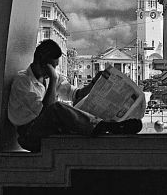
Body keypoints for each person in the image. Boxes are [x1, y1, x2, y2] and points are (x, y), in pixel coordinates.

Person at [8, 39, 142, 152]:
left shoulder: (51, 77)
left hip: (49, 129)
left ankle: (108, 124)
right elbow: (46, 111)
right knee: (57, 108)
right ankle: (106, 126)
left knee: (76, 109)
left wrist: (96, 83)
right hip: (29, 134)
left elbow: (75, 95)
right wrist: (54, 80)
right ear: (42, 62)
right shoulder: (23, 81)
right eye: (52, 66)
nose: (54, 70)